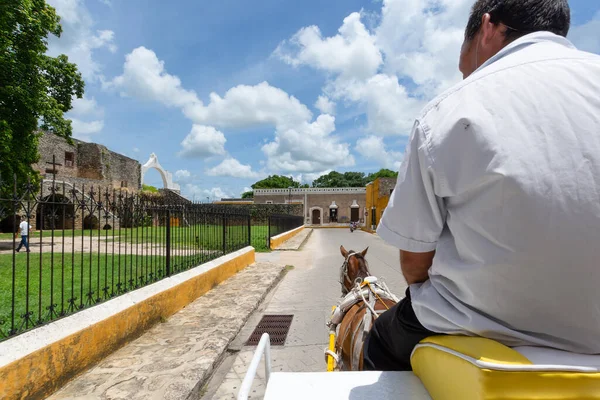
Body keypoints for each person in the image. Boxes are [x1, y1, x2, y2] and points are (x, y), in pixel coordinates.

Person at [363, 0, 600, 372]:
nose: (466, 75)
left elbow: (413, 264)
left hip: (478, 329)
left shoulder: (446, 113)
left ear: (487, 28)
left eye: (465, 63)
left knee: (378, 338)